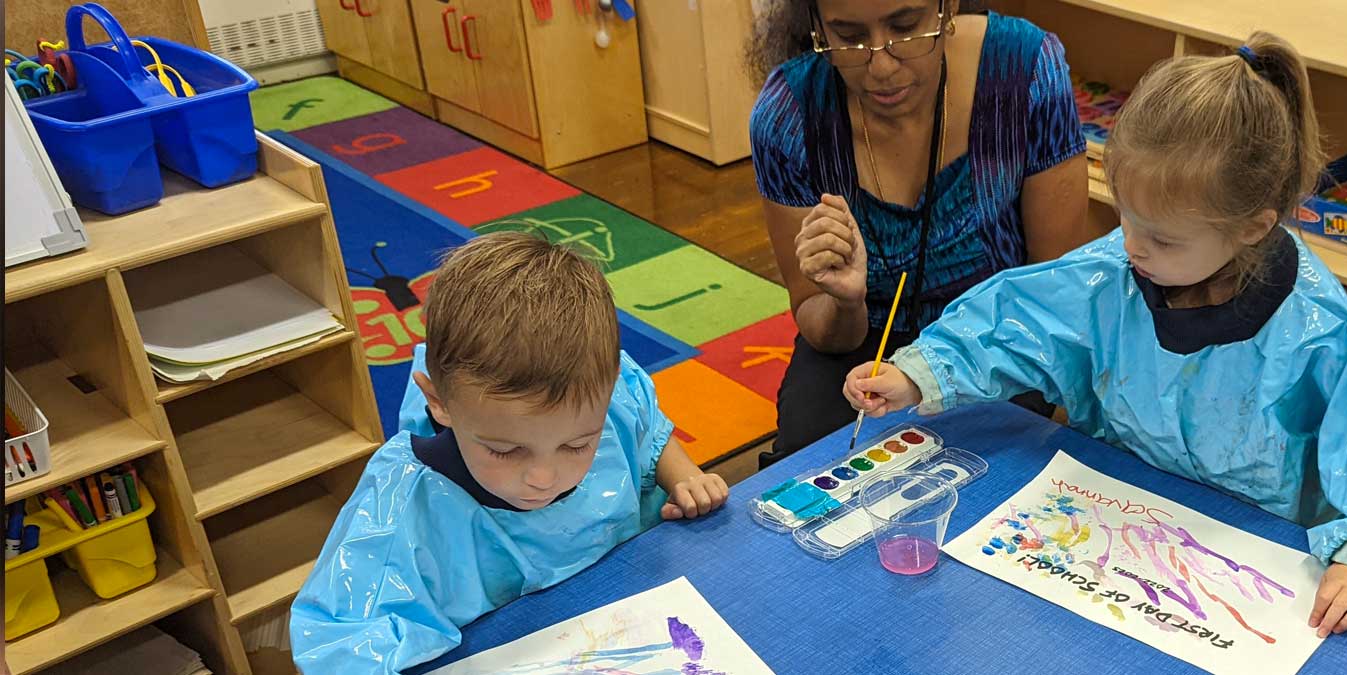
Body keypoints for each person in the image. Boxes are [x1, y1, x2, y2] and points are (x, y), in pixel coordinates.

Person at [842, 33, 1347, 638]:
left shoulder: (1315, 328)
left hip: (1251, 550)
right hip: (1109, 519)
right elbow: (1016, 319)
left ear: (1252, 227)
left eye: (1162, 238)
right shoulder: (1115, 270)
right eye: (1124, 216)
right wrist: (922, 372)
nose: (1131, 246)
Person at [290, 233, 730, 673]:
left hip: (632, 613)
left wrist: (683, 474)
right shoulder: (400, 511)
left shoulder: (607, 396)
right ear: (439, 402)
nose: (544, 476)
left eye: (577, 445)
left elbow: (647, 431)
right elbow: (340, 648)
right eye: (504, 451)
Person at [748, 0, 1099, 466]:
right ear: (816, 26)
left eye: (905, 26)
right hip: (859, 343)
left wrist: (941, 372)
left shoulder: (1025, 68)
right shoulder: (788, 116)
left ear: (947, 6)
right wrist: (845, 301)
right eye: (849, 36)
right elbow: (819, 325)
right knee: (810, 464)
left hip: (997, 336)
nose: (881, 64)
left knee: (988, 473)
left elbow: (1050, 291)